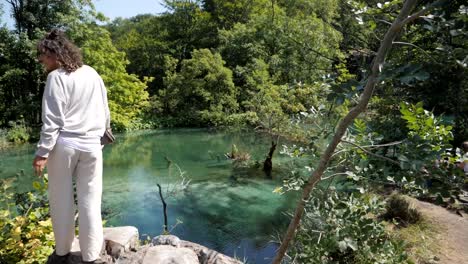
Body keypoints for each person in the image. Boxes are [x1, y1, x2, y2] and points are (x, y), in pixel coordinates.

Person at [32, 29, 110, 264]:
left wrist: (42, 152)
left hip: (64, 144)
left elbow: (53, 119)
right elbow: (105, 111)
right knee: (91, 201)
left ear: (55, 54)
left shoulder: (56, 77)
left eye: (43, 56)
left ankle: (63, 252)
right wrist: (100, 139)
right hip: (92, 145)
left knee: (61, 200)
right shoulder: (92, 73)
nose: (41, 61)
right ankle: (91, 256)